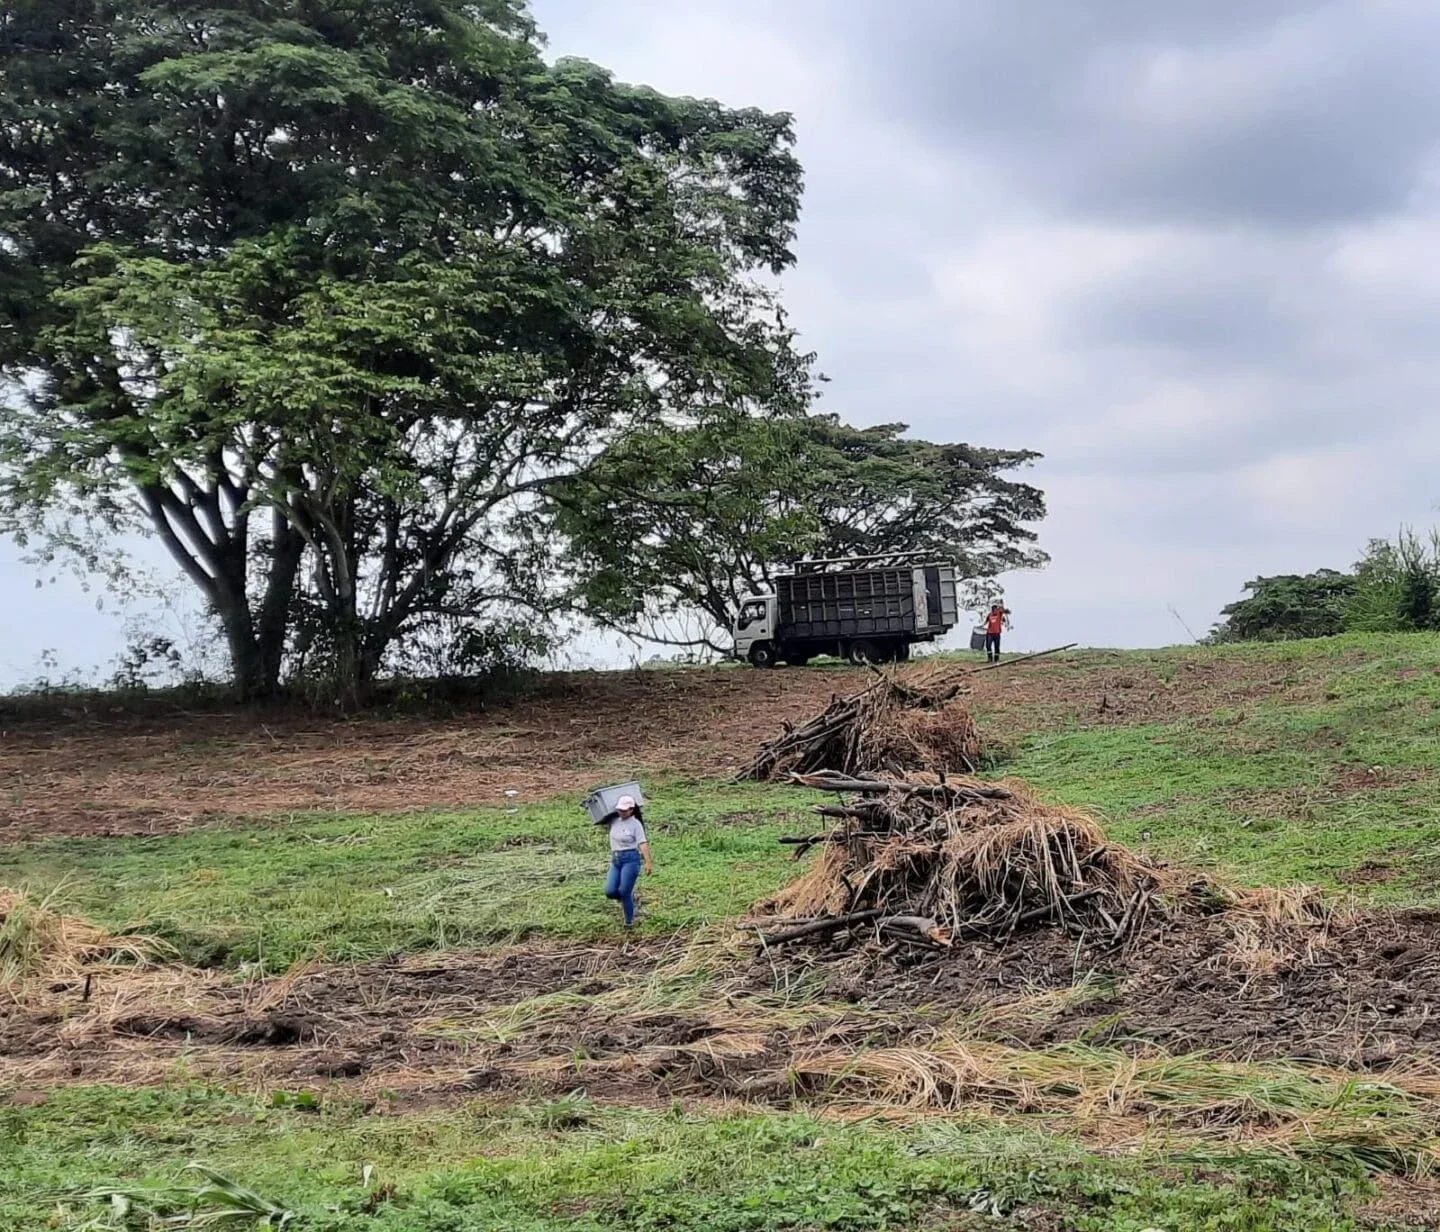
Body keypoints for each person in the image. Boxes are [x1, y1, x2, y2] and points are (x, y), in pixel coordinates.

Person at [603, 795, 653, 928]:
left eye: (625, 810)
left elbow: (642, 843)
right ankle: (630, 900)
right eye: (620, 809)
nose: (622, 812)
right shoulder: (614, 820)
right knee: (610, 890)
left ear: (631, 810)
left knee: (625, 890)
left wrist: (648, 862)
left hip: (630, 859)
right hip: (616, 859)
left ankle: (629, 921)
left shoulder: (635, 824)